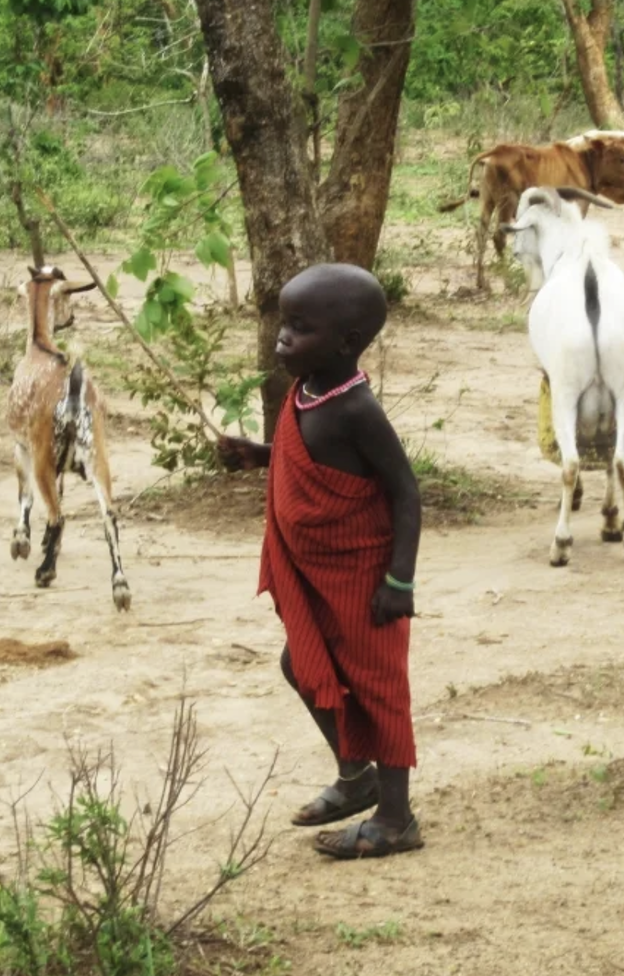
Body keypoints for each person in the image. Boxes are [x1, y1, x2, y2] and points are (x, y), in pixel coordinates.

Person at [218, 264, 423, 860]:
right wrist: (260, 456)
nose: (282, 338)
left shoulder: (358, 409)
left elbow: (406, 492)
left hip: (364, 575)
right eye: (284, 324)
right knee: (301, 665)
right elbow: (305, 450)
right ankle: (355, 775)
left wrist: (399, 581)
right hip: (316, 572)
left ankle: (396, 816)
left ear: (345, 342)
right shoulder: (306, 390)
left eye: (299, 328)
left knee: (378, 689)